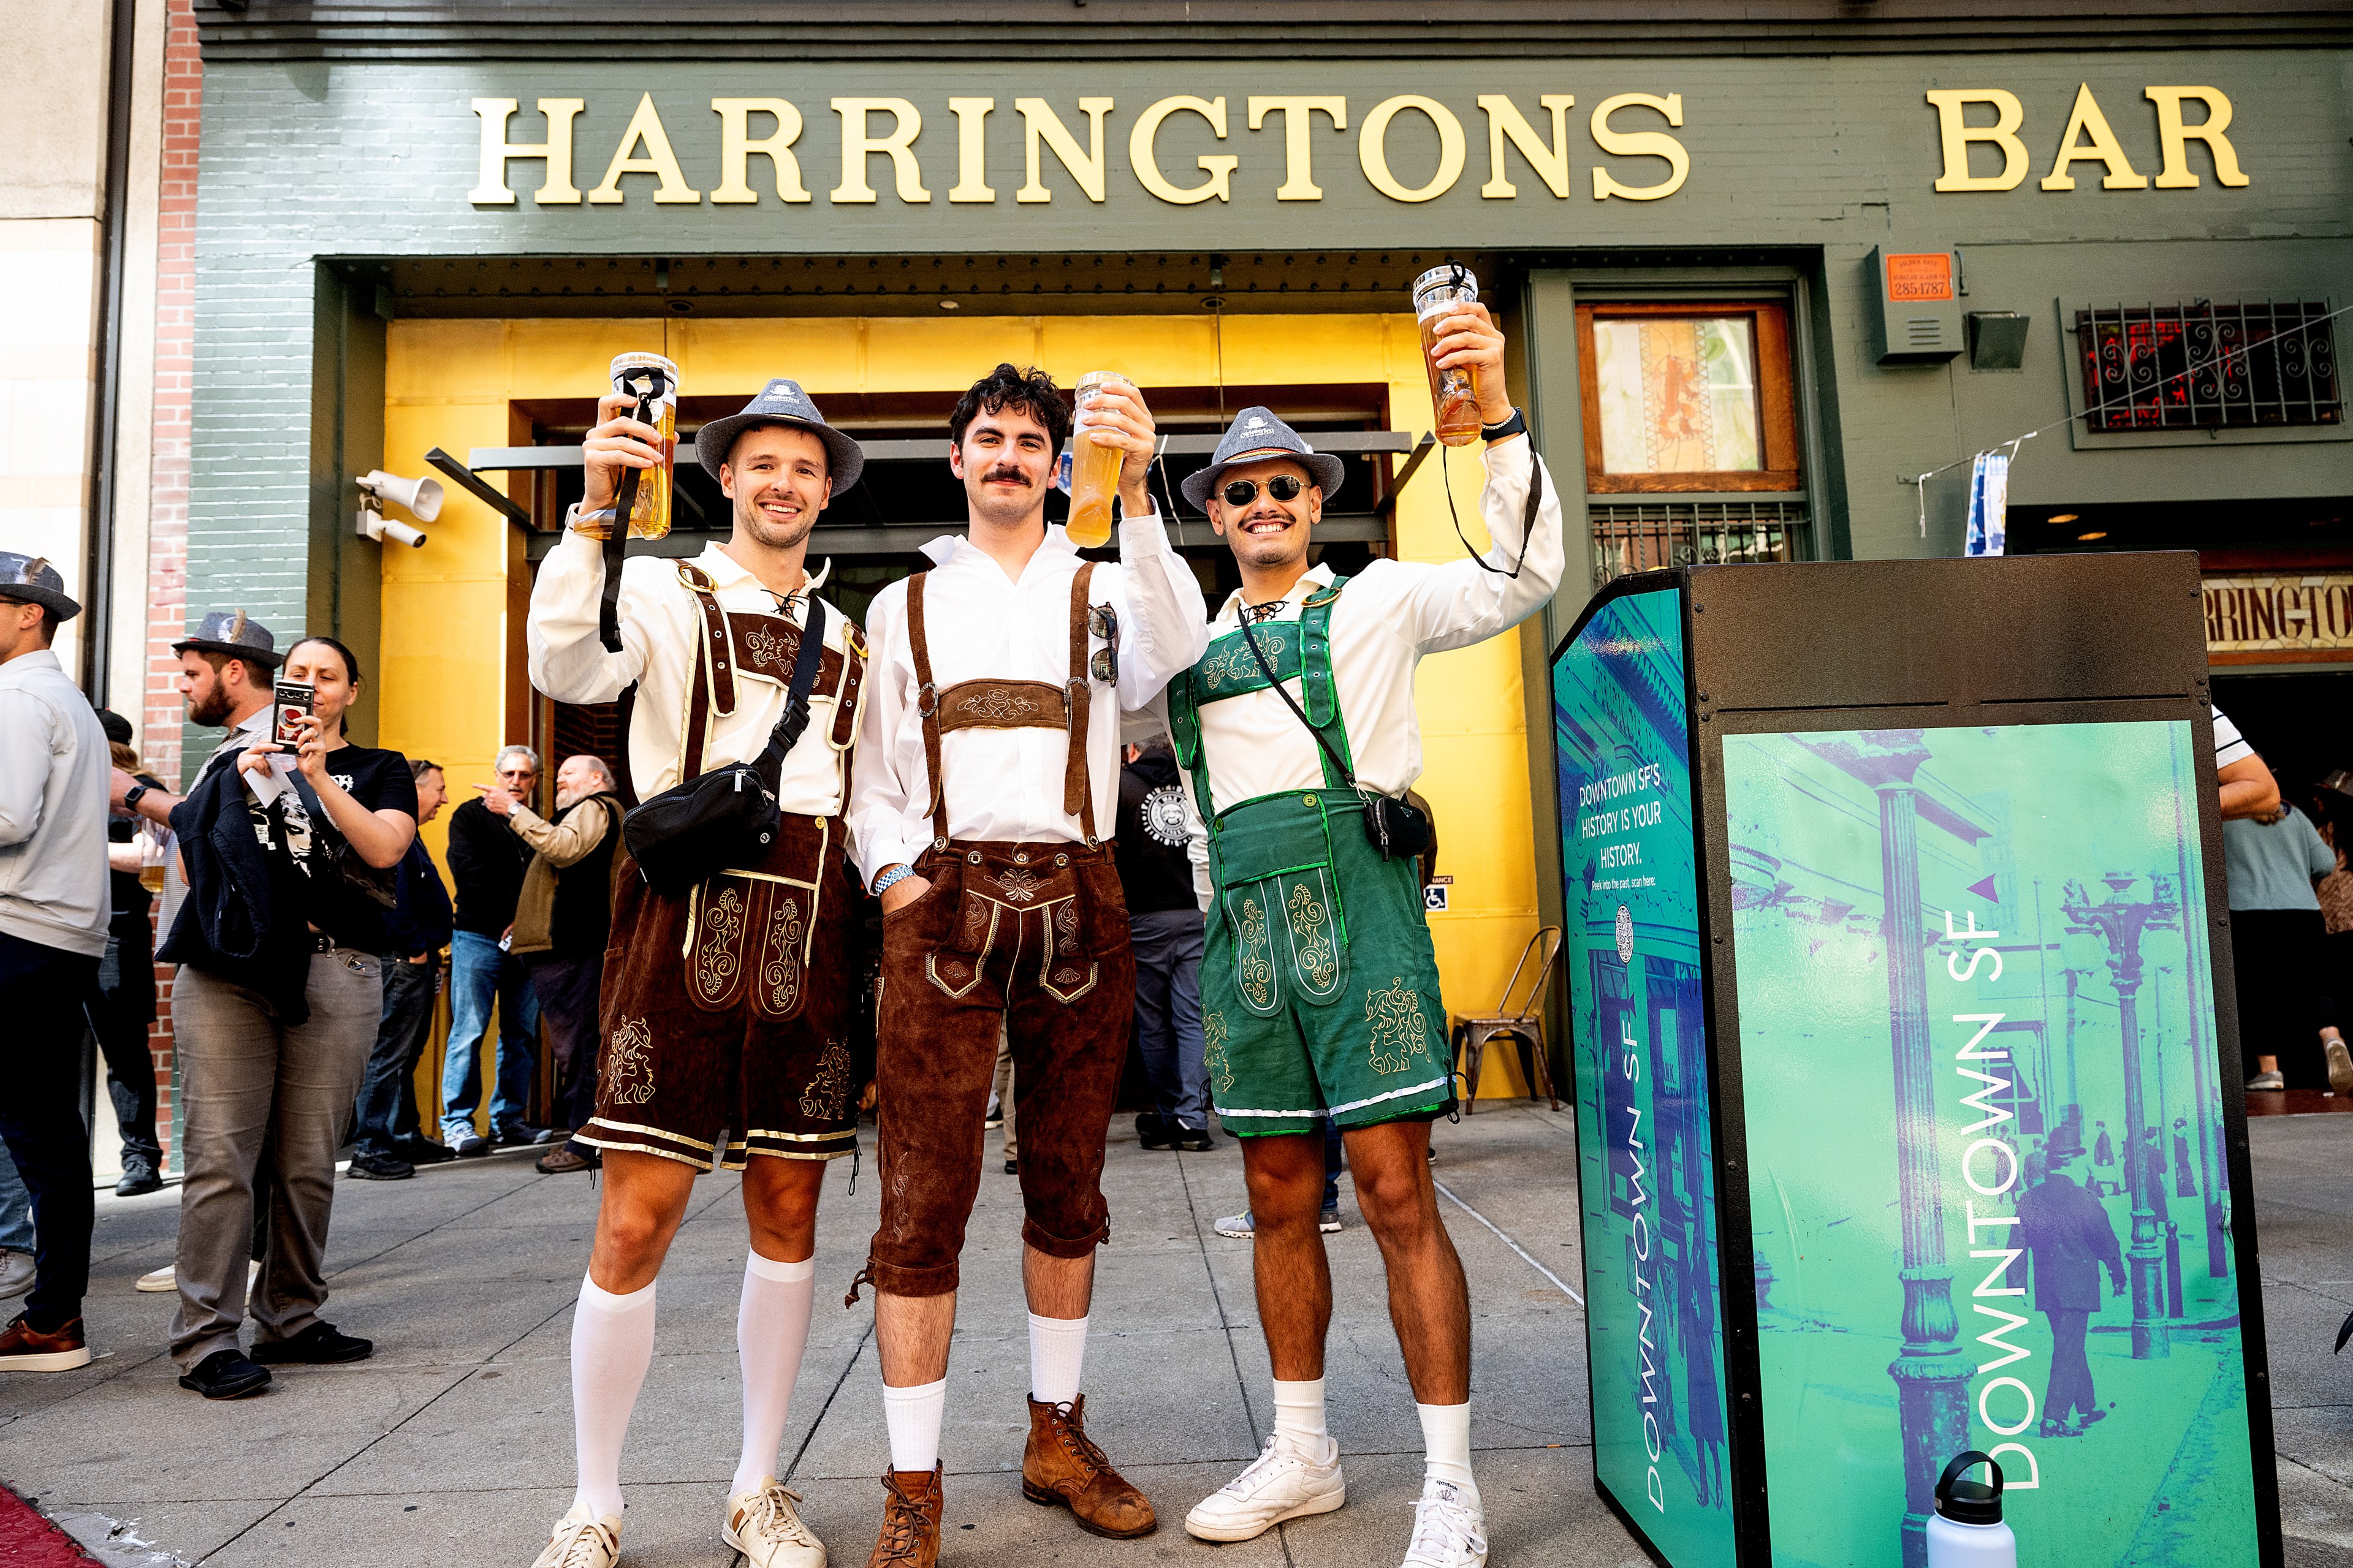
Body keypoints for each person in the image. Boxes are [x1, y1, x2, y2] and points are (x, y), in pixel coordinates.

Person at [1157, 299, 1561, 1568]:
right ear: (1213, 515)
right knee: (1276, 1194)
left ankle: (1448, 1481)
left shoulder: (1380, 598)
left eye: (1282, 484)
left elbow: (1524, 572)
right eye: (1239, 490)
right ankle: (1303, 1451)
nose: (1263, 503)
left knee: (1394, 1190)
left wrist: (1492, 416)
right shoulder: (1189, 641)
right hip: (1244, 932)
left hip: (1364, 910)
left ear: (1311, 502)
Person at [846, 362, 1206, 1562]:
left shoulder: (1107, 590)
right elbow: (874, 782)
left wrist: (1142, 484)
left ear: (1059, 465)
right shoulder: (899, 608)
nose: (1007, 455)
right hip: (940, 900)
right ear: (954, 460)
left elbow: (1174, 652)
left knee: (1066, 1186)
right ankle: (912, 1480)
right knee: (920, 1198)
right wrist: (900, 887)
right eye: (987, 438)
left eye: (1029, 442)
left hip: (1079, 893)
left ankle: (1056, 1435)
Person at [525, 375, 874, 1568]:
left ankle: (757, 1485)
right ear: (725, 476)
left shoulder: (855, 638)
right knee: (635, 1214)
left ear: (826, 490)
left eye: (805, 467)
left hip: (814, 926)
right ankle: (593, 1499)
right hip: (675, 922)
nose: (783, 483)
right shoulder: (661, 589)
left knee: (788, 1209)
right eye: (762, 463)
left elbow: (869, 800)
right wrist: (591, 507)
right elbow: (565, 664)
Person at [158, 634, 417, 1399]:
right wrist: (242, 787)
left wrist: (314, 778)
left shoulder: (378, 769)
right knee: (221, 1158)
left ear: (350, 693)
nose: (309, 685)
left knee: (307, 1161)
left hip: (338, 966)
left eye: (326, 676)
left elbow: (385, 849)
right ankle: (205, 1339)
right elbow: (185, 865)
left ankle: (292, 1316)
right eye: (298, 673)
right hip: (232, 973)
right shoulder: (231, 759)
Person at [0, 552, 108, 1373]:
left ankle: (51, 1316)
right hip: (57, 939)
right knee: (49, 1134)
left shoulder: (20, 694)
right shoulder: (63, 696)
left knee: (40, 1135)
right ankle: (52, 1313)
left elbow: (6, 812)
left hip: (18, 935)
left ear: (29, 612)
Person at [504, 753, 623, 1176]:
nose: (560, 779)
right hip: (571, 946)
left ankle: (584, 1138)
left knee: (580, 1046)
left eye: (570, 772)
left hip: (576, 946)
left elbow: (564, 848)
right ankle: (591, 1134)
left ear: (597, 778)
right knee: (580, 1044)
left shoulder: (595, 807)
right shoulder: (584, 812)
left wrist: (515, 810)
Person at [349, 758, 455, 1181]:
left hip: (416, 959)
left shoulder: (411, 837)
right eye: (439, 788)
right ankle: (370, 1147)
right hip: (402, 959)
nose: (445, 798)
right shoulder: (396, 838)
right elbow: (396, 896)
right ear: (414, 790)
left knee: (406, 1052)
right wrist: (413, 948)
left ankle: (403, 1133)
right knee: (388, 1053)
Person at [439, 744, 547, 1155]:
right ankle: (457, 1123)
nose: (516, 782)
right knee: (469, 1030)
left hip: (526, 944)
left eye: (524, 776)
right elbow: (470, 874)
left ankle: (508, 1121)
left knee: (521, 1034)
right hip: (478, 937)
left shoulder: (537, 823)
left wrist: (526, 921)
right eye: (509, 774)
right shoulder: (469, 815)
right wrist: (517, 911)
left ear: (534, 781)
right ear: (497, 776)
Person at [1119, 736, 1213, 1153]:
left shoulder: (1120, 785)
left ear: (1135, 748)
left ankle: (1168, 1113)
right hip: (1194, 912)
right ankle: (1193, 1118)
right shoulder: (1196, 784)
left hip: (1143, 920)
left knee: (1154, 1024)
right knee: (1192, 1018)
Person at [2222, 796, 2340, 1092]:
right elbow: (2326, 864)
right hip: (2303, 912)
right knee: (2315, 984)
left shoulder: (2222, 814)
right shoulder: (2294, 814)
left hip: (2248, 913)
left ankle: (2270, 1071)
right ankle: (2332, 1038)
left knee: (2258, 989)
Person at [94, 711, 166, 1195]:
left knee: (125, 1052)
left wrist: (75, 849)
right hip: (57, 928)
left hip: (118, 934)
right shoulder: (61, 785)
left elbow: (151, 857)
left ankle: (141, 1157)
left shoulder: (142, 788)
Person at [2018, 1133, 2124, 1437]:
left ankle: (2087, 1407)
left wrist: (2017, 1284)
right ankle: (2053, 1419)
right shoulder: (2084, 1198)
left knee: (2070, 1345)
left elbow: (2017, 1243)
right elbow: (2105, 1240)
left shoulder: (2031, 1198)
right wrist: (2118, 1274)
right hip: (2078, 1286)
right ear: (2072, 1162)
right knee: (2068, 1347)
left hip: (2048, 1286)